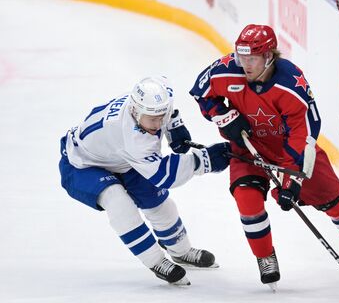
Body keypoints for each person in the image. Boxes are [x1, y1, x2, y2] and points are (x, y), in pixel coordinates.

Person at [189, 24, 339, 289]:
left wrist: (292, 180)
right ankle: (265, 257)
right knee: (247, 198)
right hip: (248, 147)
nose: (245, 64)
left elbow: (303, 136)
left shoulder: (290, 84)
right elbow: (201, 93)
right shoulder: (226, 70)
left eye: (252, 58)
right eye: (241, 57)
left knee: (335, 201)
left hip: (290, 150)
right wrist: (223, 116)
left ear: (269, 57)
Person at [59, 76, 230, 285]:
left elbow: (166, 102)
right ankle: (156, 261)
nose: (158, 124)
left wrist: (174, 127)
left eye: (162, 117)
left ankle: (181, 251)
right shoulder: (133, 139)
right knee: (119, 203)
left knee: (159, 204)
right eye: (153, 119)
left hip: (118, 158)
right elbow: (163, 175)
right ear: (135, 112)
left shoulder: (152, 103)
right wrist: (203, 160)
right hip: (81, 165)